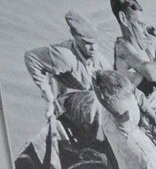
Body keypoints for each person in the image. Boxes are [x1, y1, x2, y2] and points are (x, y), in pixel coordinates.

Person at [24, 10, 106, 144]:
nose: (93, 49)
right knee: (95, 101)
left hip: (87, 104)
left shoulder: (99, 59)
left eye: (95, 43)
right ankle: (93, 144)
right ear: (74, 35)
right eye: (87, 43)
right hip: (67, 104)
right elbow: (31, 58)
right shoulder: (65, 56)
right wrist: (48, 96)